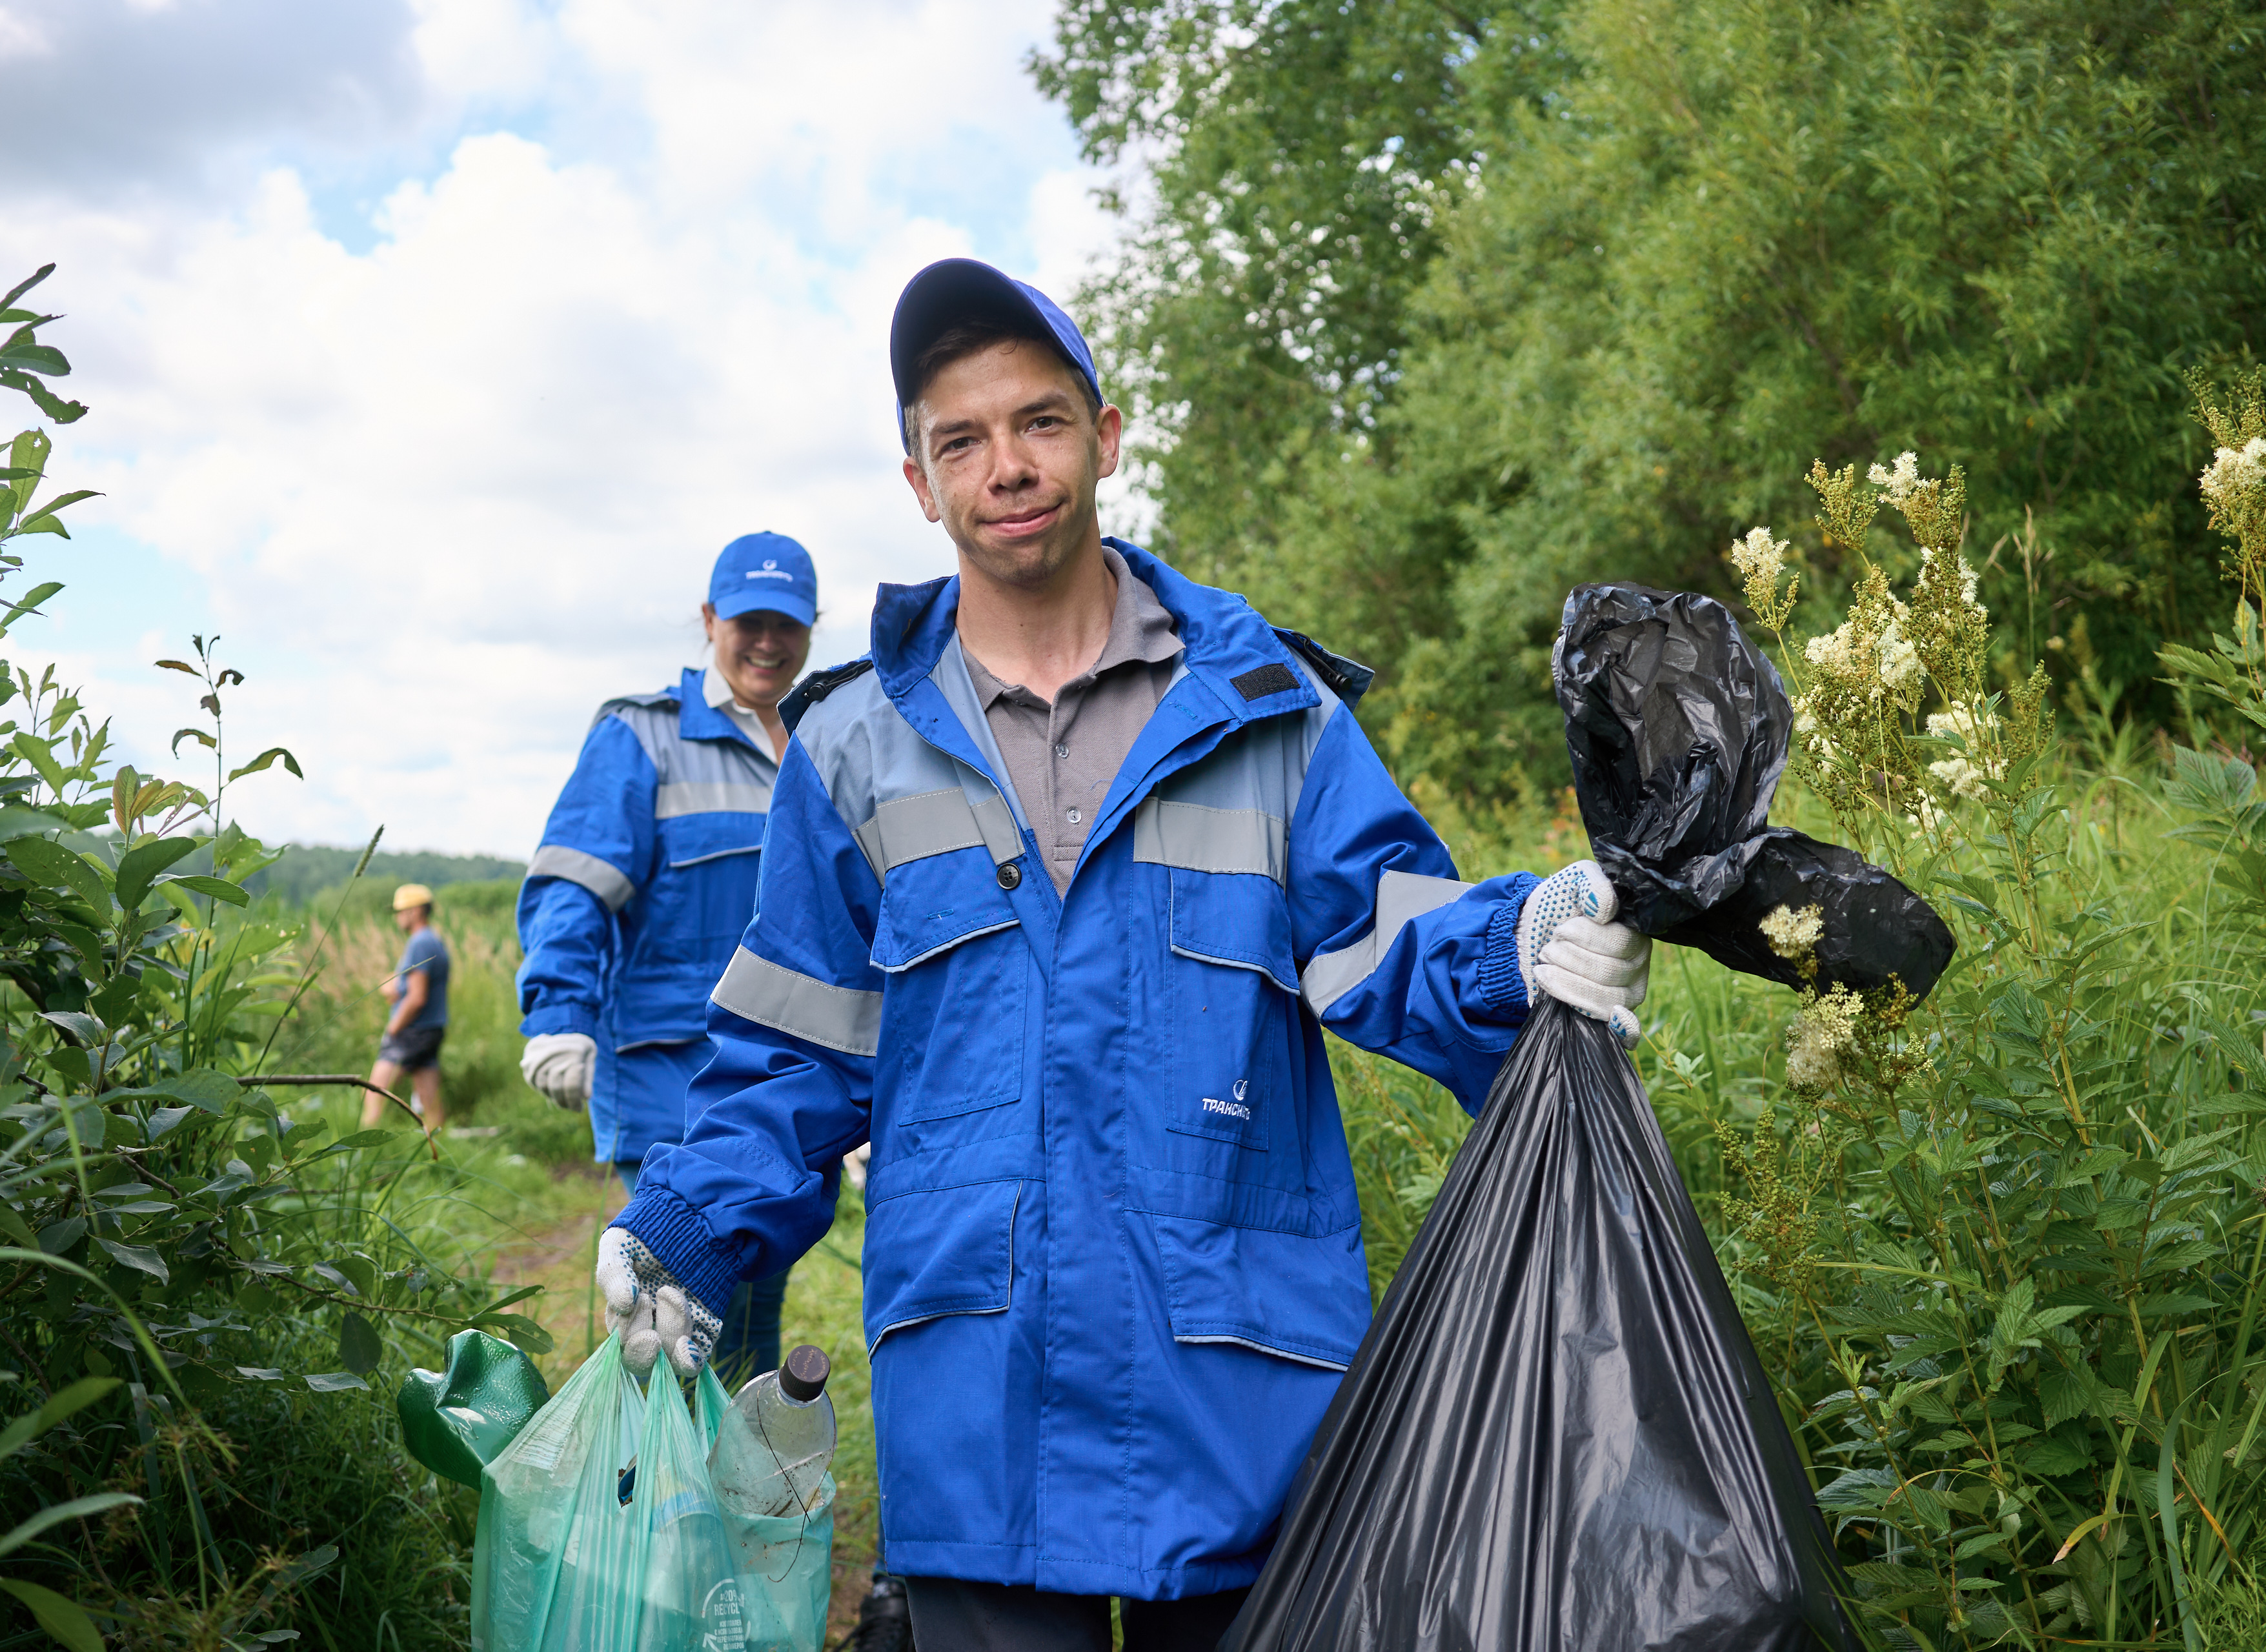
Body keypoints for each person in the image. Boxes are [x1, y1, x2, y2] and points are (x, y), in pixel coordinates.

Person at [596, 260, 1653, 1652]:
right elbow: (794, 1049)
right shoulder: (850, 748)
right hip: (982, 1391)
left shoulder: (1264, 704)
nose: (1005, 466)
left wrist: (1522, 938)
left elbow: (1390, 931)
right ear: (918, 483)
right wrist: (679, 1224)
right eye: (958, 440)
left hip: (1242, 1391)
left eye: (1038, 422)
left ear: (1105, 433)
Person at [514, 532, 816, 1380]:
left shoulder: (824, 748)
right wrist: (559, 1013)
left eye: (786, 625)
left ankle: (723, 1504)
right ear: (710, 619)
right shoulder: (642, 737)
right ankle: (640, 1499)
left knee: (753, 1309)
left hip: (788, 1085)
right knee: (667, 1310)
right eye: (748, 621)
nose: (766, 643)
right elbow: (576, 884)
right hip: (666, 1076)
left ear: (811, 630)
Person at [367, 883, 450, 1132]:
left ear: (415, 911)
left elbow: (417, 998)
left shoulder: (419, 943)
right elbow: (414, 984)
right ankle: (438, 1152)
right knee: (431, 1102)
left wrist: (394, 1029)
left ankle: (361, 1150)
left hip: (412, 1031)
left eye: (400, 911)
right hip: (431, 1029)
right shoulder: (434, 941)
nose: (397, 917)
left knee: (374, 1094)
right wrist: (393, 987)